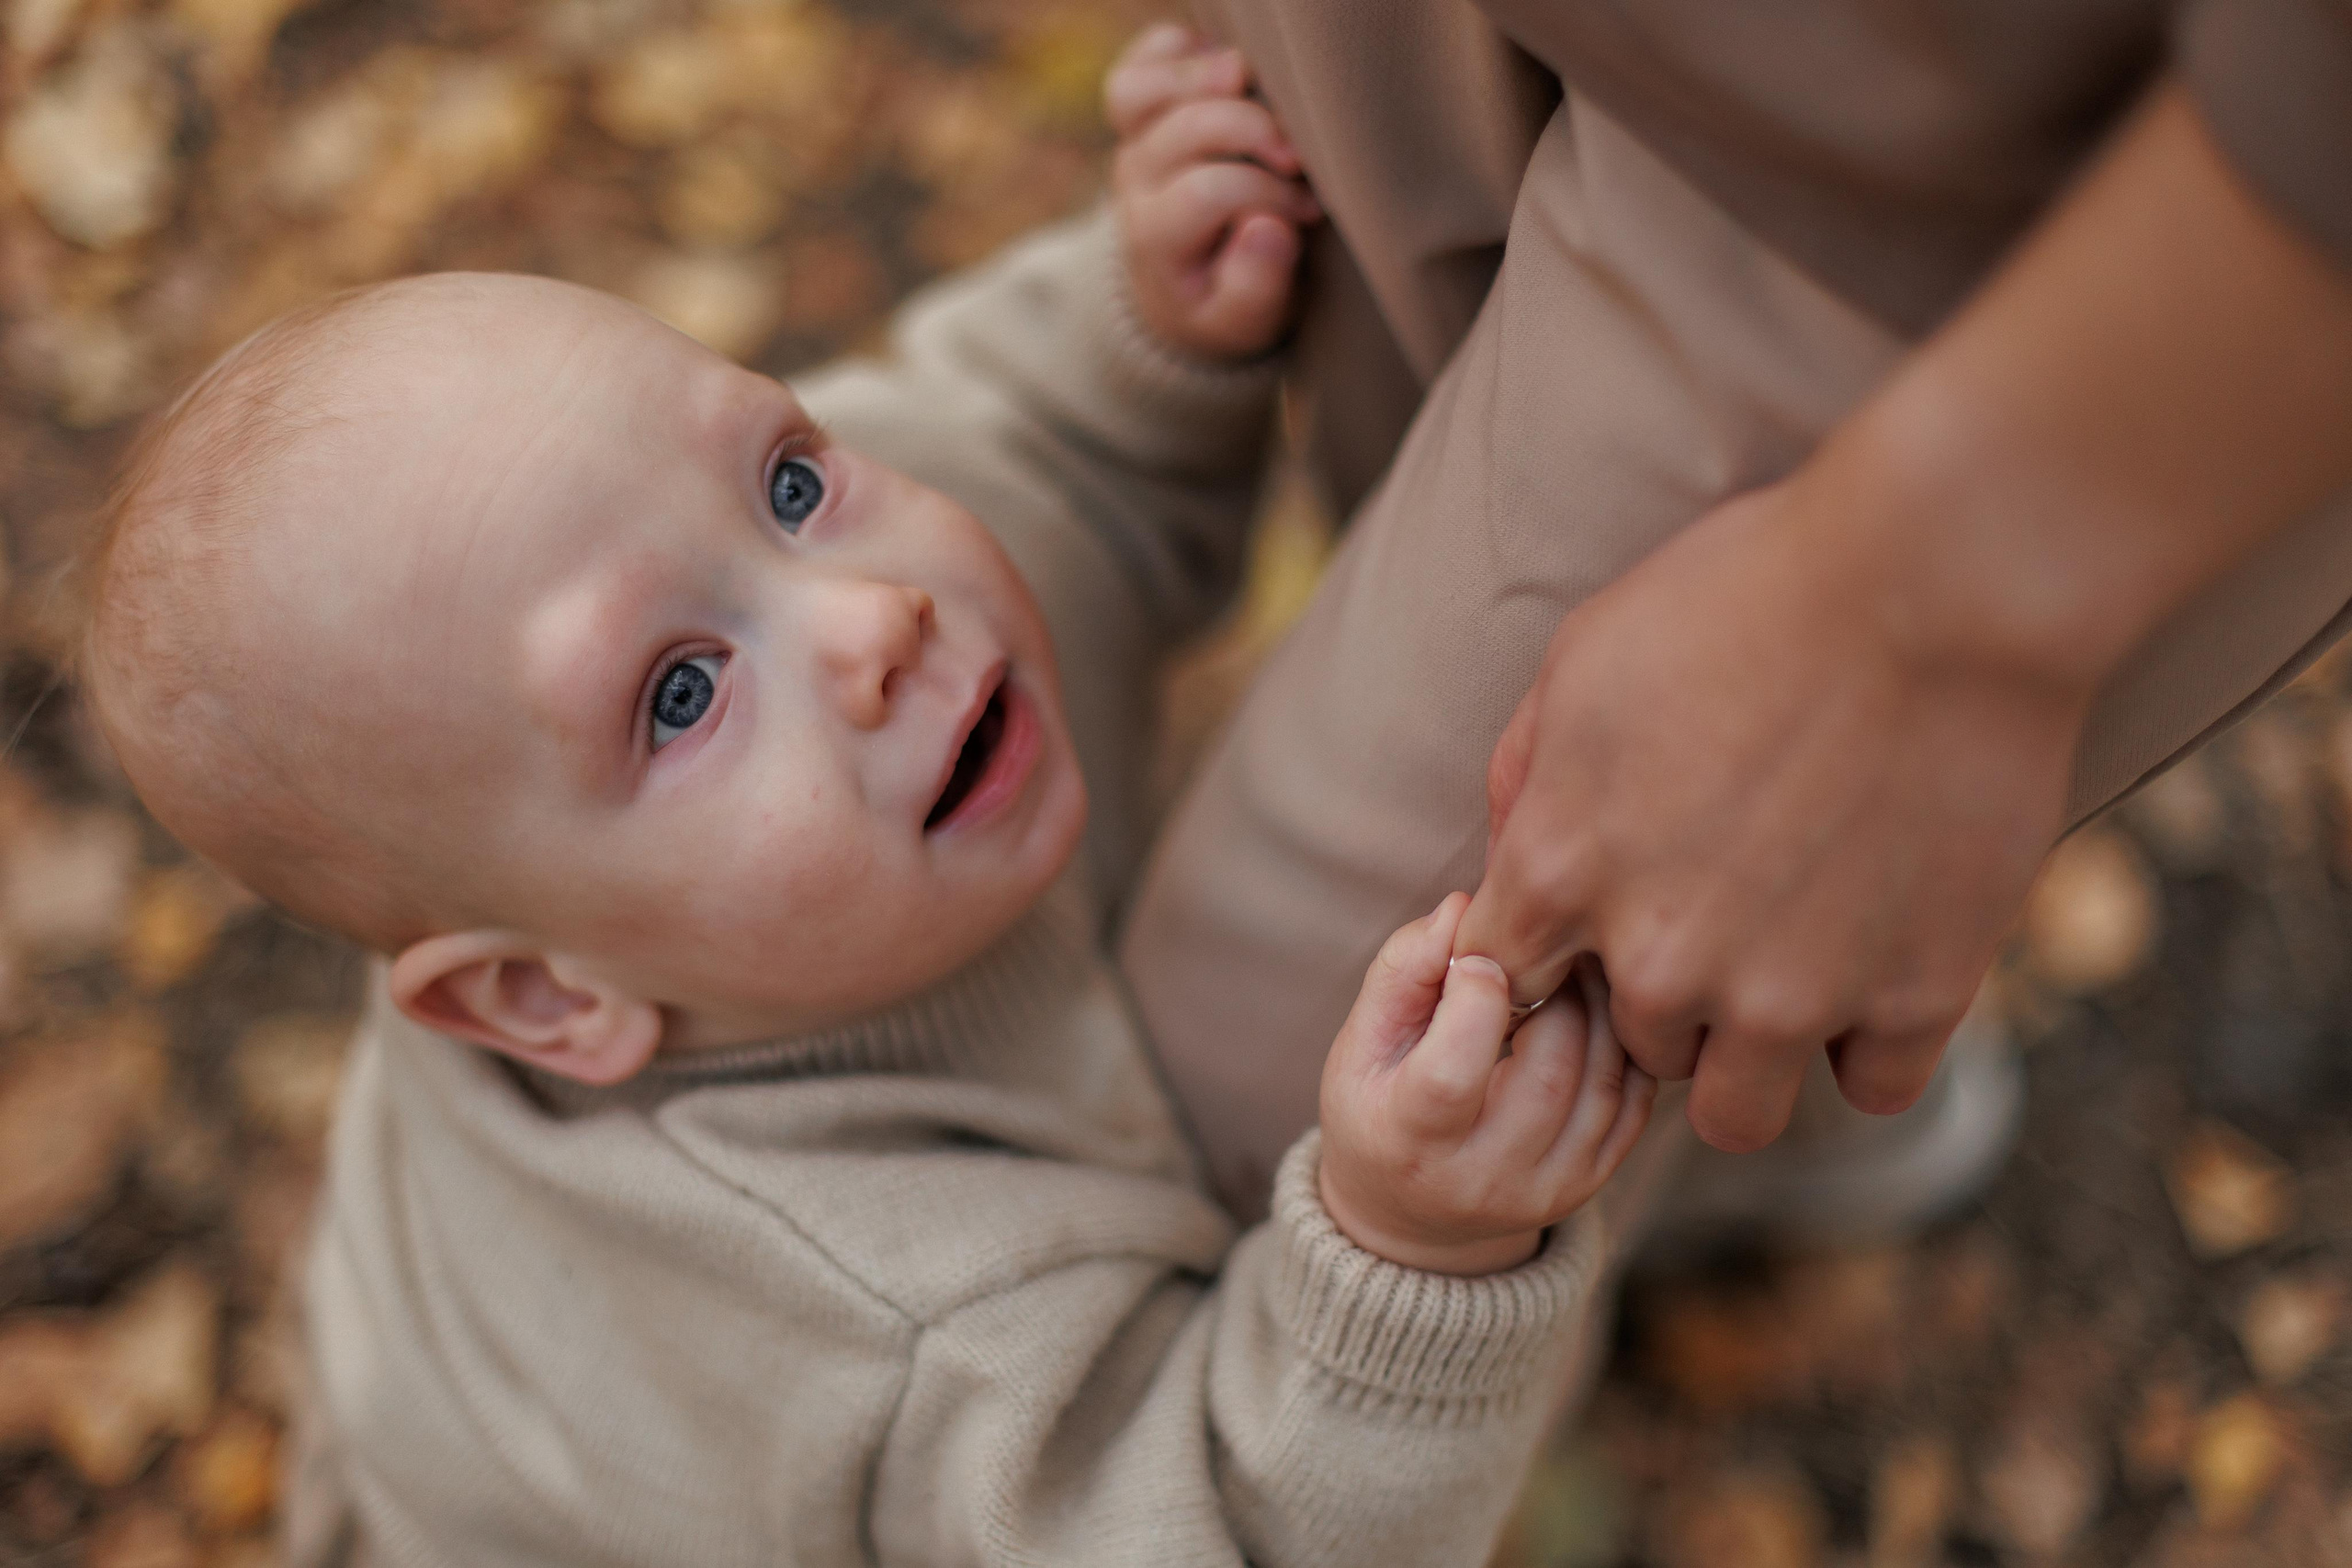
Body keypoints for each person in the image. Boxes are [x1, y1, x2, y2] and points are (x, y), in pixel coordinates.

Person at [79, 42, 1655, 1567]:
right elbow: (1210, 1529)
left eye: (784, 476)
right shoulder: (882, 1322)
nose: (866, 620)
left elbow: (1003, 426)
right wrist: (1408, 1259)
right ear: (553, 993)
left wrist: (1150, 320)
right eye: (680, 697)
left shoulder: (775, 611)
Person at [1120, 3, 2352, 1226]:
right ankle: (1777, 1104)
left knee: (1268, 1136)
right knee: (1391, 493)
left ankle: (1744, 1114)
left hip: (1973, 197)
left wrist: (1935, 601)